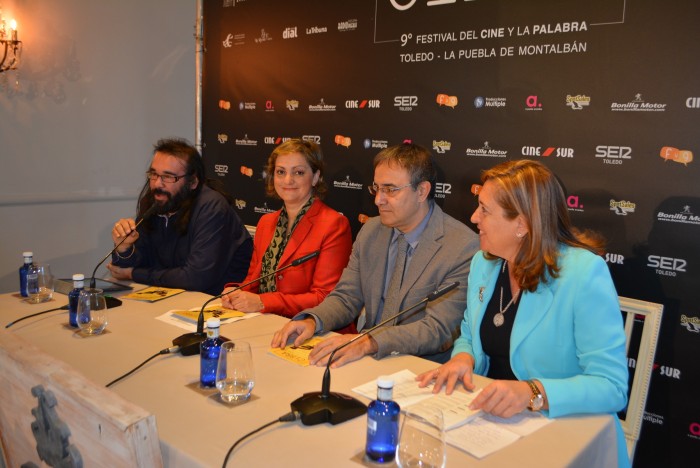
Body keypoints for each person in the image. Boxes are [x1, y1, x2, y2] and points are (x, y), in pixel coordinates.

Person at [417, 159, 630, 467]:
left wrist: (533, 393)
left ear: (523, 224)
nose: (474, 217)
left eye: (485, 210)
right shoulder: (484, 263)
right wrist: (464, 357)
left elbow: (611, 387)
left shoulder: (583, 273)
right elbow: (469, 331)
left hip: (561, 432)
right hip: (490, 426)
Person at [271, 143, 480, 367]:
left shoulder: (462, 247)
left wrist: (370, 342)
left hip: (417, 367)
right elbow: (347, 296)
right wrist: (314, 319)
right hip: (363, 358)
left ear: (422, 191)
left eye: (390, 189)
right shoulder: (371, 230)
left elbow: (437, 329)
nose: (378, 199)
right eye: (376, 188)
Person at [219, 139, 354, 332]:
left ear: (315, 177)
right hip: (265, 323)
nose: (288, 180)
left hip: (313, 331)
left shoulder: (333, 224)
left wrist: (263, 302)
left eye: (298, 172)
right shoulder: (266, 223)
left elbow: (325, 297)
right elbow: (252, 281)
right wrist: (236, 292)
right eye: (281, 172)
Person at [108, 137, 253, 296]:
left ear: (192, 182)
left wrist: (134, 274)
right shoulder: (155, 202)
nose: (157, 184)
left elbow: (196, 278)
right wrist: (124, 248)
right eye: (154, 174)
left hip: (216, 303)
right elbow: (127, 267)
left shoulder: (212, 208)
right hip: (171, 298)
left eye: (168, 177)